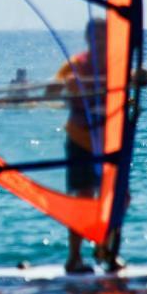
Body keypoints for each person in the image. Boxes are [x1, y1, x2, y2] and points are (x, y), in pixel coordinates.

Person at [49, 19, 116, 274]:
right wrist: (61, 86)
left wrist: (141, 77)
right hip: (80, 139)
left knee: (118, 197)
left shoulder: (117, 64)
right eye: (95, 37)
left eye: (104, 36)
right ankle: (74, 258)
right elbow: (52, 89)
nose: (100, 41)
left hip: (111, 141)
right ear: (88, 39)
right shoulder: (75, 65)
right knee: (84, 199)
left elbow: (135, 77)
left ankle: (107, 252)